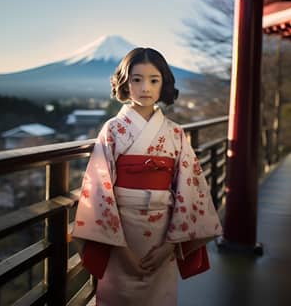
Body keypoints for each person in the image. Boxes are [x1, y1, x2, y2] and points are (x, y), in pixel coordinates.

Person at [72, 47, 223, 306]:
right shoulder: (113, 130)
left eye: (154, 80)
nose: (145, 88)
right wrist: (119, 248)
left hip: (163, 233)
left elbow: (190, 188)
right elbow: (99, 190)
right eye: (137, 79)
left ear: (163, 83)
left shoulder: (175, 133)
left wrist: (170, 246)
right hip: (120, 232)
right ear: (125, 82)